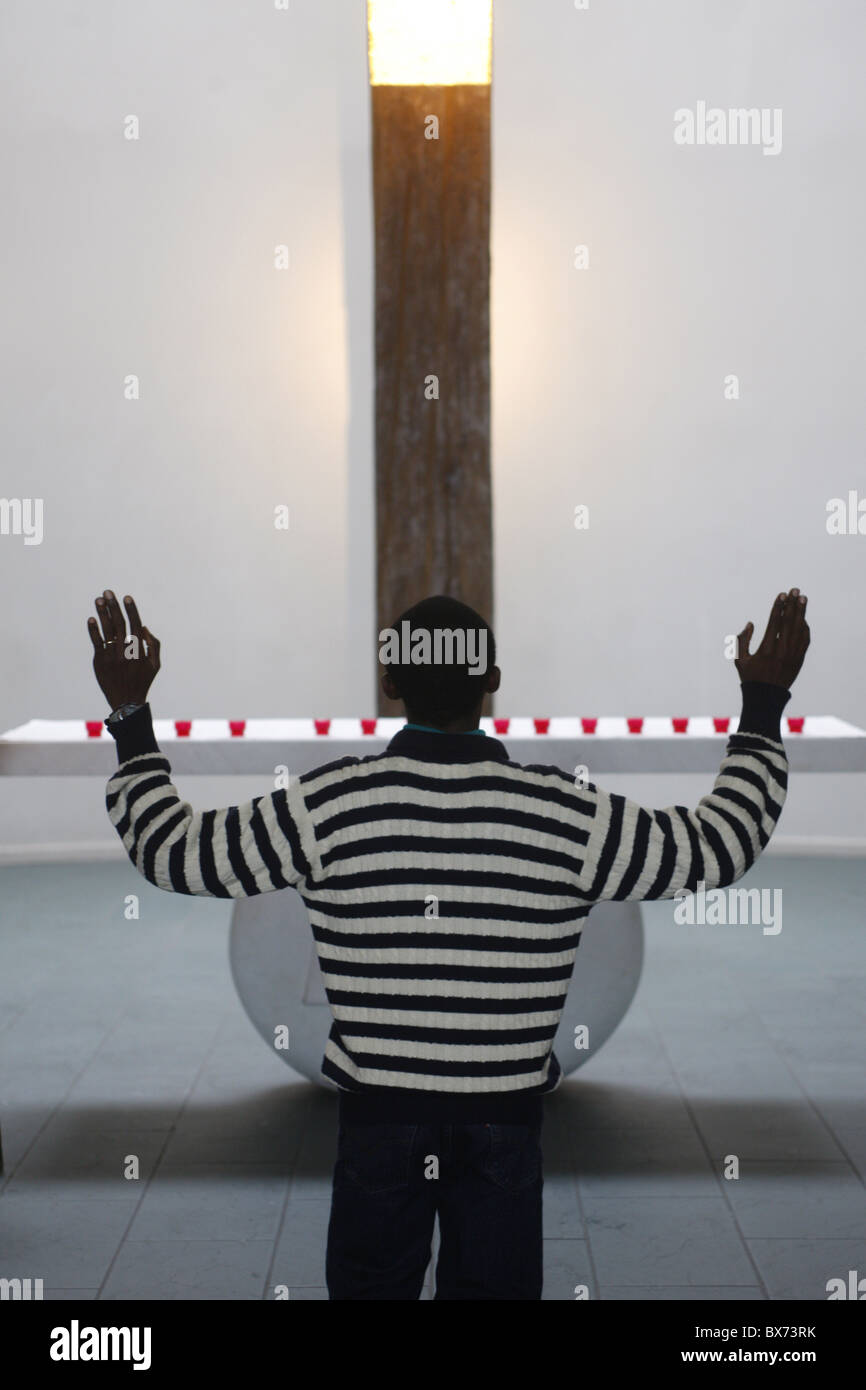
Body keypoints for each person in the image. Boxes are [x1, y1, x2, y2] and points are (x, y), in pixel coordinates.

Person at [87, 586, 810, 1300]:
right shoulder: (564, 814)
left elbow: (171, 850)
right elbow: (719, 844)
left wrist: (130, 715)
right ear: (492, 682)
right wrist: (764, 704)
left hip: (380, 1123)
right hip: (504, 1121)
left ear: (391, 679)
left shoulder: (329, 806)